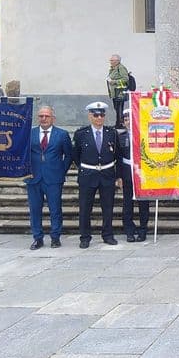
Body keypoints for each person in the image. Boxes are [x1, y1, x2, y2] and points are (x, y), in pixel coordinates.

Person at [73, 101, 121, 248]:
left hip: (107, 174)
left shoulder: (112, 133)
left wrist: (118, 176)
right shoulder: (81, 134)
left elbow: (117, 155)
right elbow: (76, 155)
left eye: (102, 115)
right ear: (90, 116)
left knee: (108, 207)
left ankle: (108, 235)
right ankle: (85, 237)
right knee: (85, 208)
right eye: (96, 115)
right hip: (88, 175)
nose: (99, 118)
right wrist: (87, 168)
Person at [26, 105, 73, 249]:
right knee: (35, 210)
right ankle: (37, 238)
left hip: (54, 178)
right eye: (41, 116)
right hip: (34, 178)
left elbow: (69, 155)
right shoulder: (29, 133)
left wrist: (61, 171)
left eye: (47, 116)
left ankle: (55, 237)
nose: (44, 118)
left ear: (53, 118)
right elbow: (23, 154)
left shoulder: (62, 134)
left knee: (55, 209)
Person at [117, 109, 150, 242]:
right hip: (127, 172)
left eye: (130, 119)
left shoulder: (144, 135)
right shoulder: (120, 137)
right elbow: (118, 158)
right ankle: (129, 231)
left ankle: (143, 230)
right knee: (127, 203)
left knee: (143, 204)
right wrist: (119, 176)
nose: (128, 122)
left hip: (142, 172)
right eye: (126, 120)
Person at [106, 54, 130, 128]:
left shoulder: (121, 68)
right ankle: (118, 123)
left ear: (117, 61)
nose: (110, 61)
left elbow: (125, 79)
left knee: (119, 108)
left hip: (119, 92)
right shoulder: (113, 68)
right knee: (116, 108)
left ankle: (120, 124)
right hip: (115, 92)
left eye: (112, 60)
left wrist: (114, 82)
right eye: (110, 60)